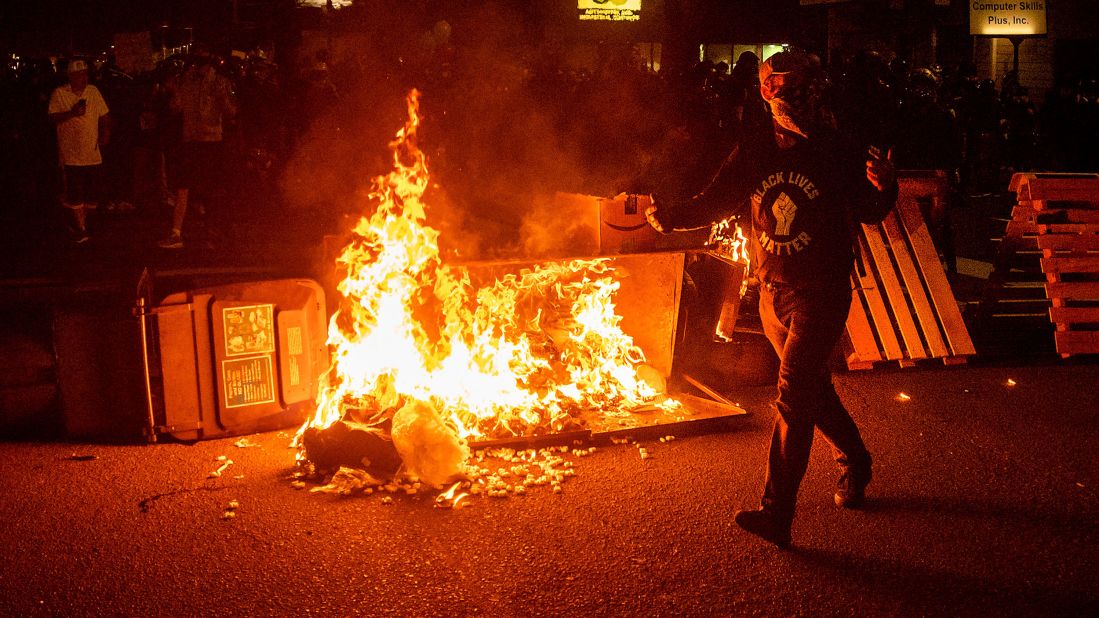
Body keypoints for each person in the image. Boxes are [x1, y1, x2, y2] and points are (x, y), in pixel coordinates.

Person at [644, 49, 898, 548]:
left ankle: (777, 513)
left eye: (803, 85)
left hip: (820, 291)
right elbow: (720, 197)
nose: (794, 95)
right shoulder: (758, 146)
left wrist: (884, 187)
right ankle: (856, 459)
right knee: (811, 393)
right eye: (784, 86)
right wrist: (671, 216)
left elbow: (869, 210)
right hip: (771, 291)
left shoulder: (835, 147)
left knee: (790, 395)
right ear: (767, 91)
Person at [159, 51, 236, 249]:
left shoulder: (220, 82)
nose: (199, 66)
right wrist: (174, 93)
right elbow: (176, 108)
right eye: (197, 62)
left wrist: (222, 100)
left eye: (203, 62)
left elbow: (231, 112)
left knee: (209, 189)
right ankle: (176, 233)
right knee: (183, 187)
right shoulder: (188, 81)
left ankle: (211, 233)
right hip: (191, 141)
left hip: (211, 142)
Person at [48, 59, 110, 244]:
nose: (84, 77)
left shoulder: (93, 91)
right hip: (71, 155)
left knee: (92, 195)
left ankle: (84, 222)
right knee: (75, 194)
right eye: (80, 74)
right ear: (71, 76)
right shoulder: (60, 93)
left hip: (92, 153)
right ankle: (80, 228)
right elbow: (52, 118)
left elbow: (104, 115)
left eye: (85, 73)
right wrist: (72, 113)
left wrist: (106, 132)